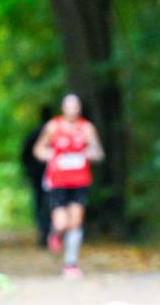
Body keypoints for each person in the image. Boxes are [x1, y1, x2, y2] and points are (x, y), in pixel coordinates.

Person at [33, 93, 104, 279]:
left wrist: (90, 153)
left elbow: (98, 152)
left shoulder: (86, 128)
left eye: (76, 106)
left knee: (76, 221)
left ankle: (70, 264)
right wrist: (50, 155)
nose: (72, 110)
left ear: (79, 108)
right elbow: (38, 149)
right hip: (58, 181)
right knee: (61, 222)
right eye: (69, 106)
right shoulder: (53, 127)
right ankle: (55, 234)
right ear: (63, 108)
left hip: (80, 181)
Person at [21, 105, 55, 246]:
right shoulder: (54, 133)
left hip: (39, 174)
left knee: (40, 203)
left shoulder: (34, 133)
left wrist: (29, 170)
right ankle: (47, 233)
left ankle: (44, 232)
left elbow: (24, 155)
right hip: (47, 174)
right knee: (51, 203)